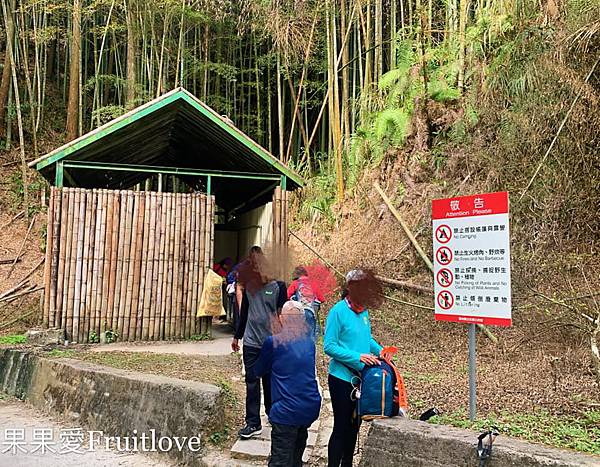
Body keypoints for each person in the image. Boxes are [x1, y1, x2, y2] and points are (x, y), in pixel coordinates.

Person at [323, 269, 392, 467]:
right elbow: (329, 346)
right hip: (341, 379)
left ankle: (348, 464)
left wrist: (381, 350)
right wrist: (357, 357)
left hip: (362, 380)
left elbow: (366, 338)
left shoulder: (364, 312)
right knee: (341, 427)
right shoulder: (338, 312)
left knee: (355, 427)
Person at [254, 301, 321, 467]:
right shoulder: (309, 343)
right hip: (310, 407)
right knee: (296, 455)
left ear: (281, 319)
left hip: (286, 411)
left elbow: (258, 370)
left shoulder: (273, 342)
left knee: (280, 460)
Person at [232, 247, 287, 439]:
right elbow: (244, 313)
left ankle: (273, 415)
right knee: (252, 383)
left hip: (272, 343)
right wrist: (237, 336)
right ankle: (253, 423)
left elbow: (284, 314)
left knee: (271, 381)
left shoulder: (279, 286)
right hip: (251, 343)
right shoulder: (249, 287)